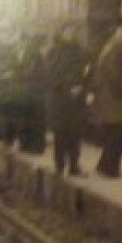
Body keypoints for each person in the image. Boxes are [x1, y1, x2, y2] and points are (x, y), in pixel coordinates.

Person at [44, 24, 90, 177]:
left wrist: (82, 85)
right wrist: (68, 87)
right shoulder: (54, 52)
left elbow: (87, 70)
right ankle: (60, 164)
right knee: (61, 133)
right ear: (62, 33)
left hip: (76, 99)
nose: (71, 34)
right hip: (60, 99)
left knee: (75, 133)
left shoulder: (80, 51)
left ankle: (74, 164)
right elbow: (51, 75)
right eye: (68, 31)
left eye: (73, 31)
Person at [89, 23, 122, 177]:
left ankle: (104, 166)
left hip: (105, 97)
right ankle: (110, 169)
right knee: (116, 135)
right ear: (115, 35)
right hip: (114, 99)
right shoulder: (118, 51)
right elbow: (116, 76)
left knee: (111, 134)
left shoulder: (106, 49)